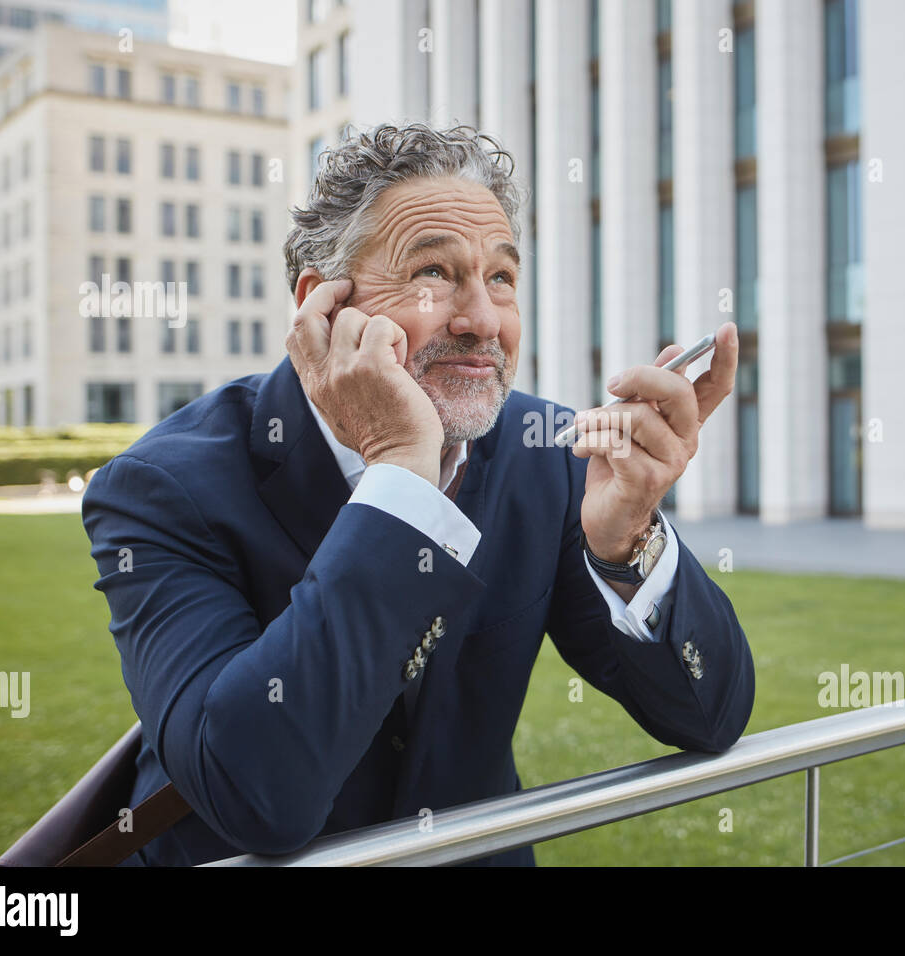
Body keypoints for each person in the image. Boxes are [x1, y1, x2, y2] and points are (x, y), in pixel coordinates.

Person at [81, 123, 755, 866]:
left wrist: (628, 542)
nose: (482, 321)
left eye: (501, 278)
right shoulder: (158, 488)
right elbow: (255, 796)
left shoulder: (550, 456)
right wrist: (401, 472)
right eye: (434, 272)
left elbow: (710, 716)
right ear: (323, 306)